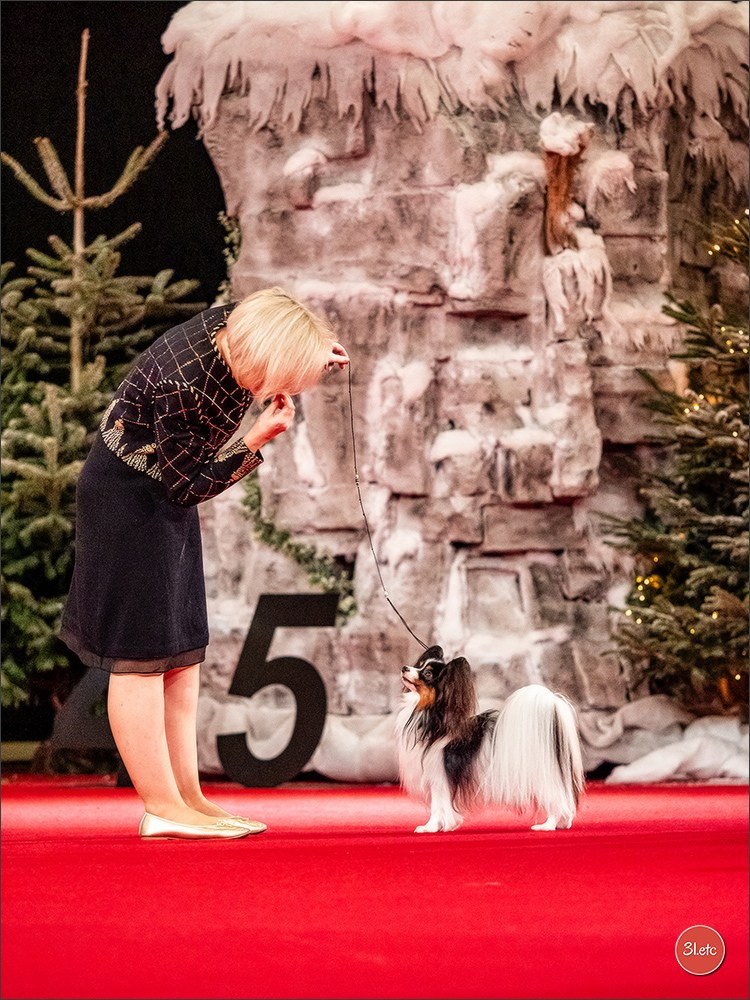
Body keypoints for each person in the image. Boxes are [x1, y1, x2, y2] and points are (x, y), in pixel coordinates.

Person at [58, 288, 349, 840]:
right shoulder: (182, 384)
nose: (285, 391)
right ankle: (160, 806)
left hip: (161, 497)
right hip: (128, 499)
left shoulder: (236, 328)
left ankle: (188, 796)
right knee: (139, 657)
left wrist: (311, 349)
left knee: (180, 651)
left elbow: (271, 319)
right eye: (285, 379)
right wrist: (254, 440)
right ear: (261, 360)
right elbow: (187, 485)